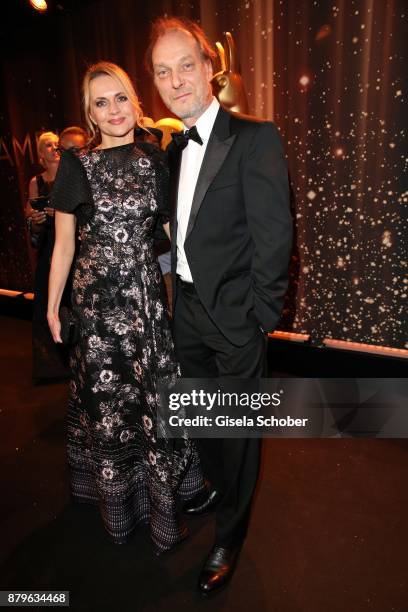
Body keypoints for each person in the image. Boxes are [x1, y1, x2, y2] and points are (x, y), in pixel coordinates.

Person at [148, 17, 292, 593]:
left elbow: (275, 235)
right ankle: (217, 487)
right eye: (163, 71)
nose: (177, 80)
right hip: (185, 311)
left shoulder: (254, 138)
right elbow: (176, 232)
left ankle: (230, 532)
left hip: (236, 318)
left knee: (236, 430)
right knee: (200, 420)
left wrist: (260, 316)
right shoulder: (169, 145)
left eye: (186, 65)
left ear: (210, 68)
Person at [47, 61, 204, 551]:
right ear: (90, 115)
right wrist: (52, 308)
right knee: (111, 406)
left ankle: (167, 500)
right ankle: (119, 506)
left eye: (120, 98)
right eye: (101, 102)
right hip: (95, 309)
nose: (113, 110)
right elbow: (64, 245)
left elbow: (175, 233)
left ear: (135, 101)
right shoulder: (78, 165)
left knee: (154, 400)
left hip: (144, 303)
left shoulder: (156, 160)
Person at [26, 131, 68, 381]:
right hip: (48, 249)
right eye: (48, 146)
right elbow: (30, 216)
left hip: (71, 246)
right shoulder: (36, 182)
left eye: (56, 145)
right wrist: (37, 218)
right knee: (47, 304)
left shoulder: (70, 175)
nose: (53, 148)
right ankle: (54, 367)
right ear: (41, 154)